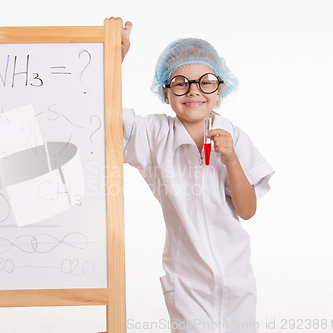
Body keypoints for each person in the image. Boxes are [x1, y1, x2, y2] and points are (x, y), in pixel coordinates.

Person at [119, 19, 274, 332]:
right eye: (180, 82)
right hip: (187, 282)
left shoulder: (234, 137)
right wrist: (114, 57)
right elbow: (100, 114)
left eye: (205, 82)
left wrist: (231, 159)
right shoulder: (153, 135)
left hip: (236, 277)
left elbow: (247, 210)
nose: (193, 91)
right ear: (165, 92)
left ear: (220, 89)